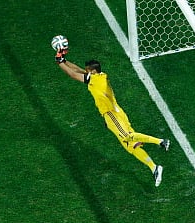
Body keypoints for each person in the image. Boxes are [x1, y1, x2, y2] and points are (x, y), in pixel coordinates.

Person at [54, 49, 170, 187]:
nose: (86, 72)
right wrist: (64, 61)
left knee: (128, 136)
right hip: (116, 112)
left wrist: (59, 62)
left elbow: (72, 74)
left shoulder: (95, 80)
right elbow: (79, 71)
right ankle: (154, 168)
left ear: (93, 71)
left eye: (88, 71)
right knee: (131, 146)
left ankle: (161, 141)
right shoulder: (99, 76)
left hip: (111, 114)